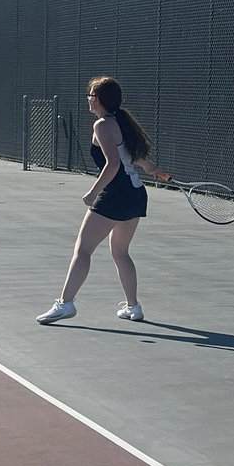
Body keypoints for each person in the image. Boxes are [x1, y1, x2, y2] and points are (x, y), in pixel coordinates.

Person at [37, 76, 168, 325]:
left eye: (90, 95)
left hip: (116, 195)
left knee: (83, 249)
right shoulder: (121, 122)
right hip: (136, 194)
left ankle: (65, 304)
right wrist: (154, 169)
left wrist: (94, 192)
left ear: (97, 99)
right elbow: (137, 158)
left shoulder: (102, 125)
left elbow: (113, 164)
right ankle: (134, 307)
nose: (88, 98)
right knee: (120, 252)